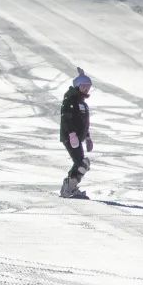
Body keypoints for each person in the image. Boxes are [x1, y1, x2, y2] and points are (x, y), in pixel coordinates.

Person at [59, 67, 94, 199]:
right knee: (81, 163)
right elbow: (66, 118)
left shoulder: (82, 104)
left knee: (82, 163)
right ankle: (68, 189)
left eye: (88, 87)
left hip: (77, 138)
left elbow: (84, 124)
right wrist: (71, 134)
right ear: (78, 86)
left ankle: (69, 186)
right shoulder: (70, 100)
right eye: (84, 86)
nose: (86, 90)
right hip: (70, 137)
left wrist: (88, 138)